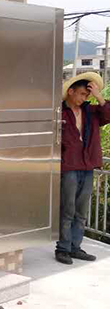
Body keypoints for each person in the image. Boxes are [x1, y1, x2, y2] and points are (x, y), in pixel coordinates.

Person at [56, 72, 110, 264]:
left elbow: (108, 115)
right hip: (69, 166)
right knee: (67, 209)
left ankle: (75, 247)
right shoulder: (60, 113)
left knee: (81, 210)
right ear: (70, 92)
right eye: (81, 94)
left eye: (86, 95)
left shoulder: (91, 111)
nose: (83, 98)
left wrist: (99, 96)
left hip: (87, 166)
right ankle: (63, 248)